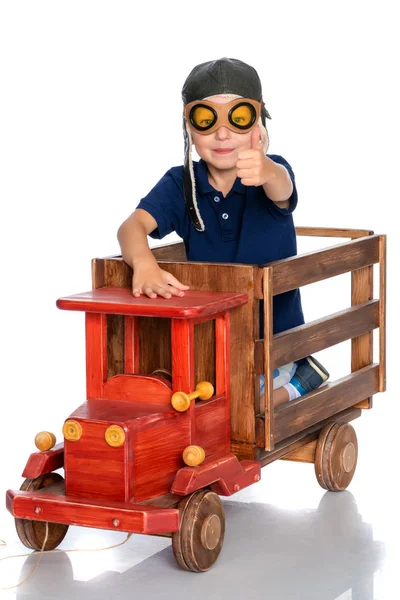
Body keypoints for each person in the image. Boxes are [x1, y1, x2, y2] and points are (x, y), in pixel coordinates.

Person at [117, 57, 329, 407]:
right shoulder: (181, 184)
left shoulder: (271, 171)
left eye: (238, 117)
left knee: (243, 406)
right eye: (206, 119)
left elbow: (283, 189)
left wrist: (267, 170)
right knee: (179, 395)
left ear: (257, 126)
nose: (222, 133)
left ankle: (301, 377)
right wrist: (143, 263)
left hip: (271, 342)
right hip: (209, 342)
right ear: (189, 128)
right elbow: (131, 226)